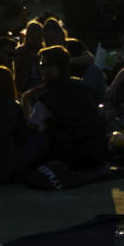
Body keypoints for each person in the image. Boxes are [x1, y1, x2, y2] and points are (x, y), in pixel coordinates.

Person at [18, 45, 107, 173]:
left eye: (43, 65)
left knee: (40, 135)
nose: (39, 69)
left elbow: (31, 127)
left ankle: (17, 167)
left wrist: (25, 99)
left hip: (73, 158)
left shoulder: (47, 97)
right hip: (97, 153)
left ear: (55, 68)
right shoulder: (83, 86)